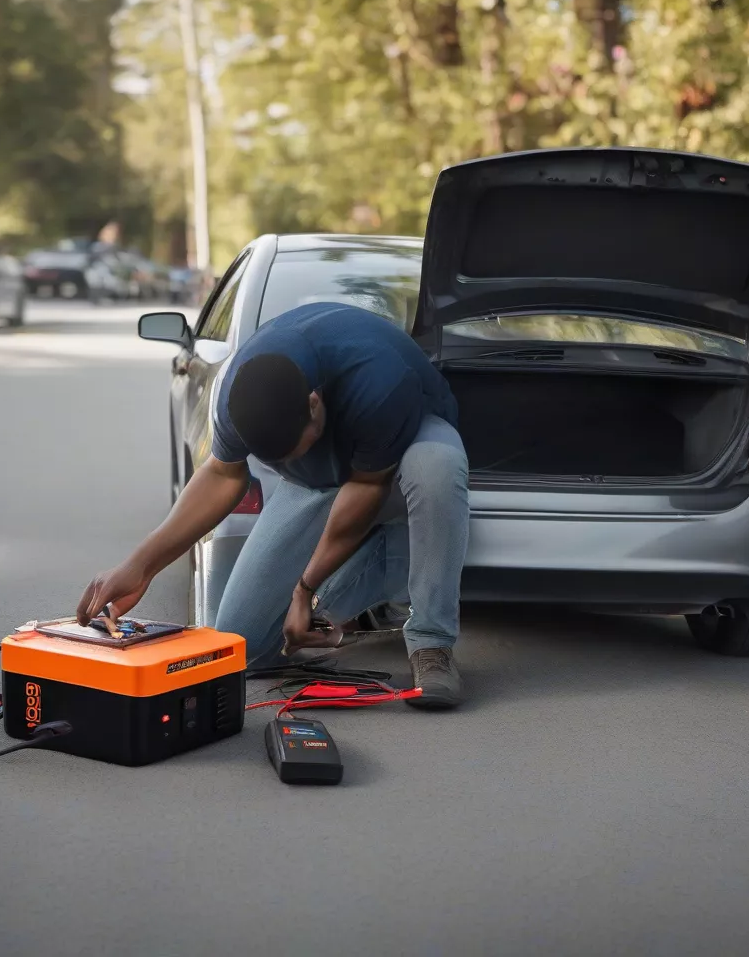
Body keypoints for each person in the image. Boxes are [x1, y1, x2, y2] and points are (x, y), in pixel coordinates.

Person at [76, 301, 469, 708]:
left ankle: (431, 640)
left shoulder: (377, 377)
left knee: (437, 466)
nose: (282, 465)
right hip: (325, 475)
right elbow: (222, 476)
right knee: (240, 647)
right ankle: (404, 560)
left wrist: (304, 590)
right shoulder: (238, 393)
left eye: (295, 451)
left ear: (314, 404)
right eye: (276, 461)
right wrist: (140, 567)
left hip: (405, 439)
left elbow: (366, 489)